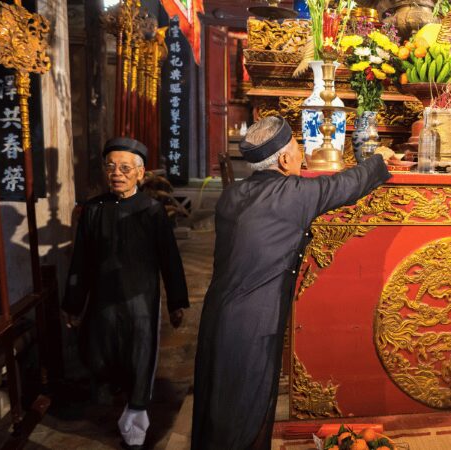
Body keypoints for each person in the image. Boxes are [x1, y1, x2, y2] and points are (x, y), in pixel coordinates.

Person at [192, 116, 391, 449]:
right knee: (247, 411)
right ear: (285, 160)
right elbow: (345, 186)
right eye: (298, 149)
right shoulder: (292, 194)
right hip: (254, 322)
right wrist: (379, 160)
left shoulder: (232, 194)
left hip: (217, 314)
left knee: (216, 401)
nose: (302, 155)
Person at [61, 137, 189, 450]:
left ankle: (137, 417)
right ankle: (118, 395)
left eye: (125, 168)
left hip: (141, 299)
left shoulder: (152, 210)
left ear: (140, 173)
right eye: (111, 167)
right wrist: (74, 304)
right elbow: (81, 261)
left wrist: (176, 302)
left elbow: (169, 259)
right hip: (104, 299)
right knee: (101, 353)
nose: (117, 173)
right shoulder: (93, 210)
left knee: (141, 354)